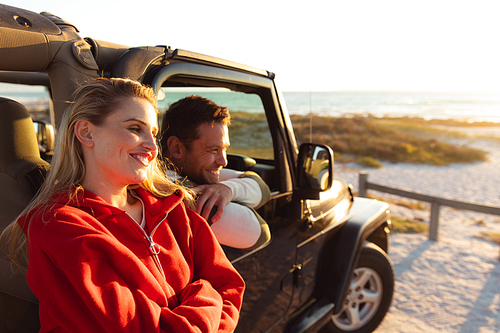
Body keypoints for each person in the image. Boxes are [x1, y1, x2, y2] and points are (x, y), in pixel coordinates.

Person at [0, 78, 244, 332]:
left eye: (153, 133)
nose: (151, 147)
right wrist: (205, 293)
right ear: (86, 132)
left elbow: (229, 287)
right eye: (135, 129)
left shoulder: (172, 208)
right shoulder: (57, 225)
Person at [159, 95, 271, 249]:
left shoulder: (183, 171)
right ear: (176, 147)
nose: (223, 161)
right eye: (213, 150)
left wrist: (228, 190)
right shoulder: (175, 193)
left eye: (224, 149)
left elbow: (262, 188)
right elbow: (261, 233)